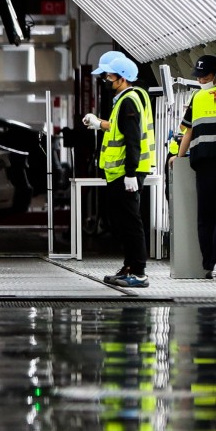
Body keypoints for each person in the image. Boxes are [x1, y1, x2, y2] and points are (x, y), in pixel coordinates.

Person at [85, 55, 153, 288]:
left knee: (131, 222)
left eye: (109, 75)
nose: (106, 78)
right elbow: (119, 129)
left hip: (127, 172)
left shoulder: (128, 101)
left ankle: (139, 272)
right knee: (124, 222)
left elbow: (133, 139)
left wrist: (131, 173)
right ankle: (130, 266)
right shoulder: (127, 98)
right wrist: (98, 123)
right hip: (121, 172)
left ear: (122, 77)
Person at [175, 62, 216, 275]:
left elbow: (188, 132)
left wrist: (178, 157)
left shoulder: (198, 97)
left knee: (204, 216)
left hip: (202, 163)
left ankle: (206, 264)